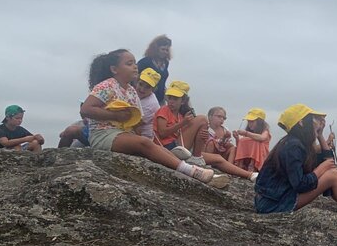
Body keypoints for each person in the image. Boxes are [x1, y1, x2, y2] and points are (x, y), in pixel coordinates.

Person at [78, 49, 226, 188]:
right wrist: (115, 116)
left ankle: (200, 174)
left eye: (135, 63)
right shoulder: (107, 85)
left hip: (121, 134)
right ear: (114, 69)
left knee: (154, 149)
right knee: (144, 144)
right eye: (129, 64)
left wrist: (136, 130)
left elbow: (137, 122)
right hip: (103, 134)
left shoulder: (131, 91)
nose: (135, 67)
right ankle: (192, 171)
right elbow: (86, 109)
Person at [254, 104, 337, 230]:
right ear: (301, 123)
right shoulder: (293, 146)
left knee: (332, 173)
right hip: (272, 204)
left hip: (276, 198)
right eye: (315, 120)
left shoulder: (296, 143)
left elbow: (329, 161)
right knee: (333, 176)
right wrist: (321, 169)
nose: (319, 123)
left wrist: (320, 135)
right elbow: (301, 184)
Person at [196, 107, 257, 181]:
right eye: (219, 116)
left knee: (232, 148)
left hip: (221, 153)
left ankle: (229, 166)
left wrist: (228, 138)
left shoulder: (225, 130)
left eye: (224, 118)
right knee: (211, 143)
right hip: (208, 152)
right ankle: (208, 165)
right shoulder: (206, 128)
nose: (221, 119)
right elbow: (204, 143)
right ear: (210, 116)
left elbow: (227, 144)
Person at [153, 86, 194, 159]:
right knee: (201, 119)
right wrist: (182, 123)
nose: (171, 101)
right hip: (165, 146)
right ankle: (197, 156)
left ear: (183, 101)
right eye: (169, 98)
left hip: (175, 145)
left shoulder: (180, 116)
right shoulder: (164, 110)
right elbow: (162, 133)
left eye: (175, 99)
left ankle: (197, 155)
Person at [137, 35, 172, 104]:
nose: (165, 52)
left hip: (160, 99)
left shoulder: (165, 63)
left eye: (167, 50)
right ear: (156, 49)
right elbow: (135, 77)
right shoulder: (145, 61)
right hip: (145, 98)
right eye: (163, 49)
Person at [134, 68, 162, 140]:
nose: (142, 89)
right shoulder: (133, 92)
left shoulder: (151, 104)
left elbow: (135, 123)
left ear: (153, 89)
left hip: (144, 138)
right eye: (140, 84)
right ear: (136, 82)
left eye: (147, 87)